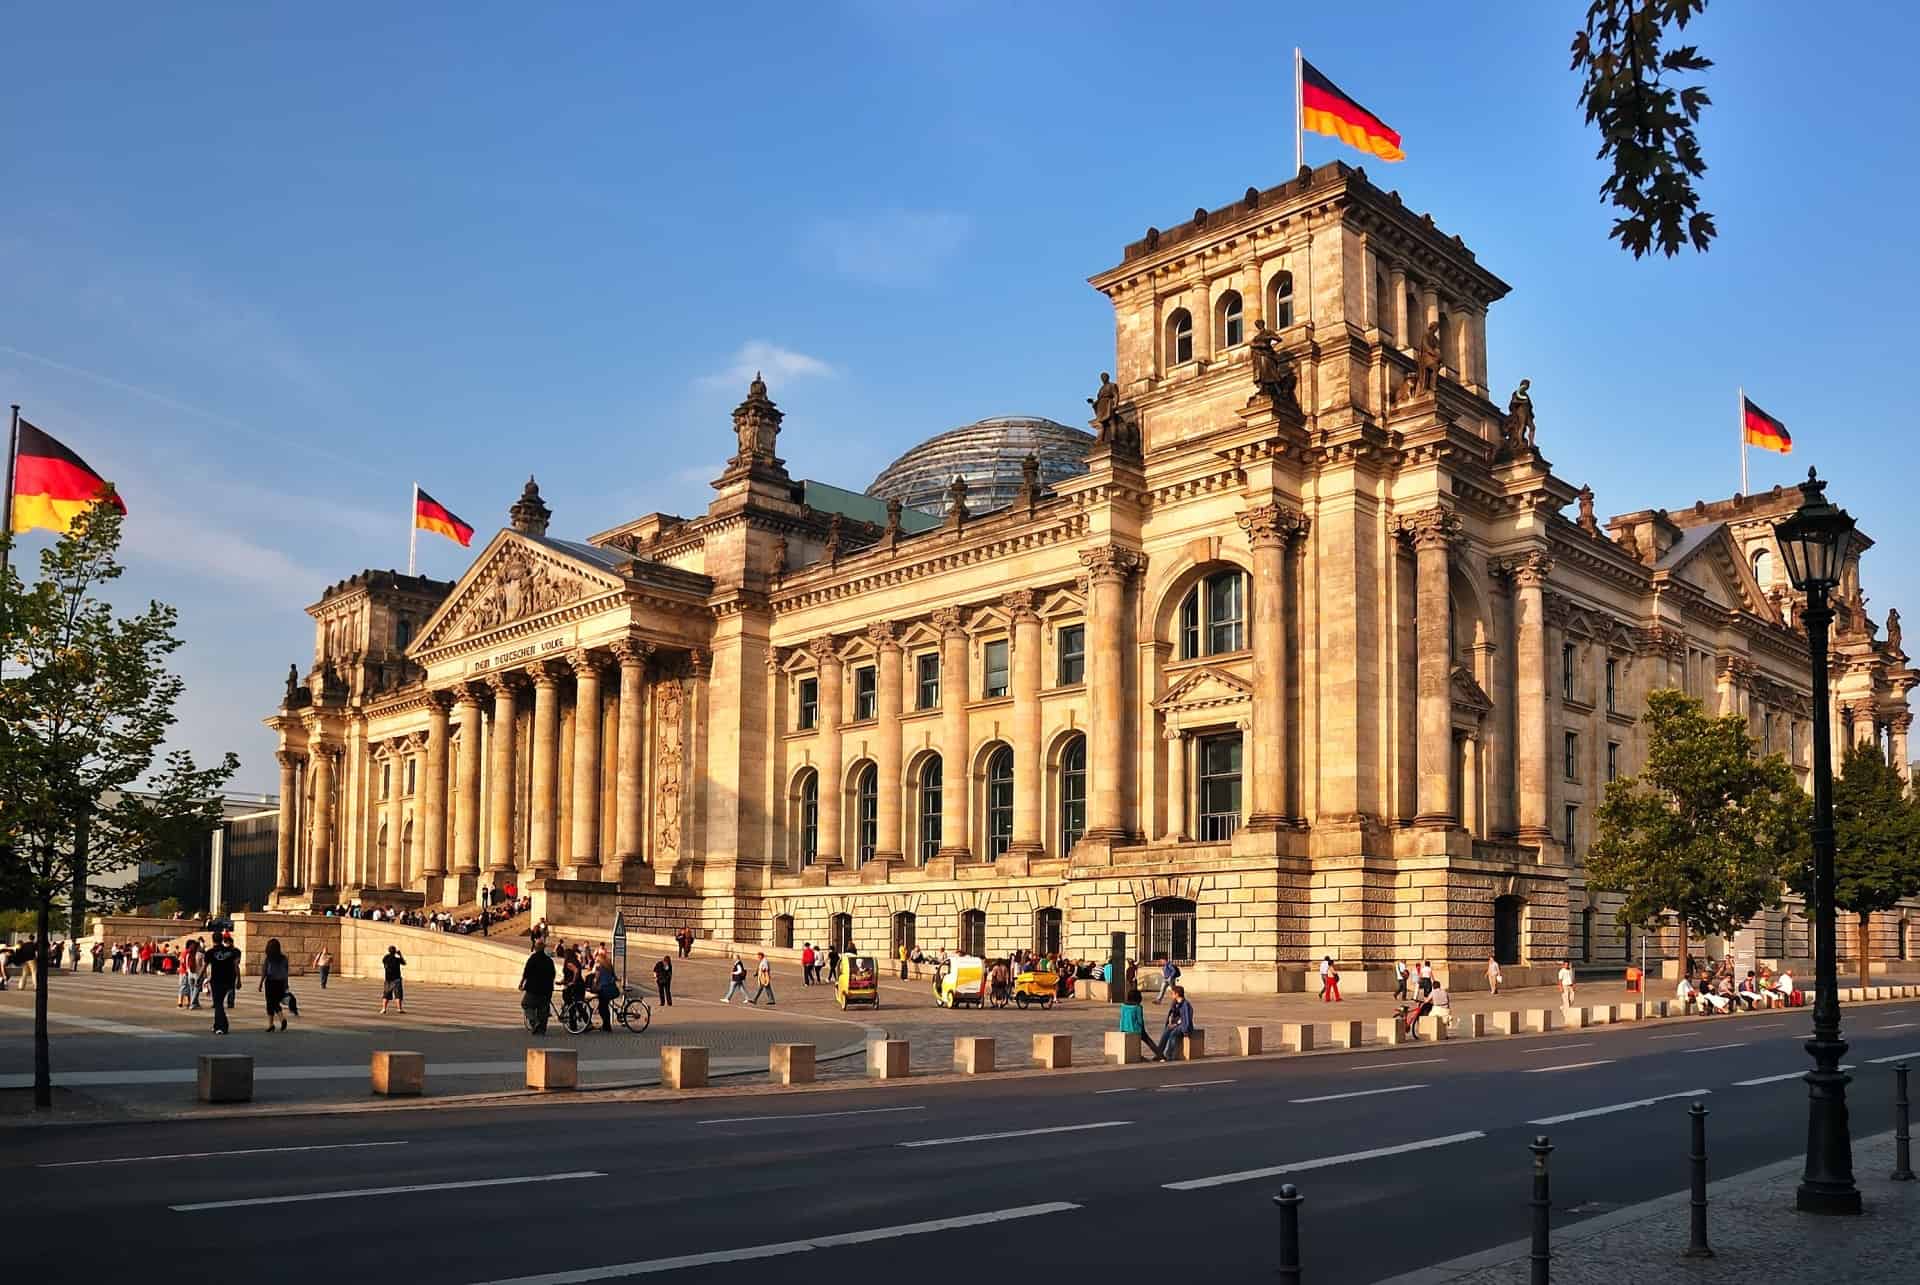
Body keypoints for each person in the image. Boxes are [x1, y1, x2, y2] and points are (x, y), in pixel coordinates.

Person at [206, 933, 241, 1035]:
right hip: (228, 981)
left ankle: (222, 1026)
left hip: (216, 981)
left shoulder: (210, 952)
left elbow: (205, 967)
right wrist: (238, 980)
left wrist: (200, 979)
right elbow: (236, 966)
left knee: (218, 1004)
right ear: (222, 940)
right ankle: (217, 1025)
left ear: (213, 940)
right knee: (219, 1003)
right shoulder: (231, 952)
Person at [1118, 986, 1163, 1061]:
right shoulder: (1138, 1007)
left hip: (1124, 1028)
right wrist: (1143, 1031)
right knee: (1148, 1041)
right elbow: (1140, 1021)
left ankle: (1138, 1056)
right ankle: (1161, 1056)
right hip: (1135, 1029)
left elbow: (1122, 1018)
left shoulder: (1123, 1006)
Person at [520, 940, 555, 1033]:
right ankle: (542, 1029)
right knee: (543, 1009)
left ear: (536, 948)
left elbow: (526, 972)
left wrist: (521, 983)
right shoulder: (549, 960)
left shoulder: (533, 958)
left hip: (533, 989)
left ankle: (534, 1021)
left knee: (526, 1004)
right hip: (546, 990)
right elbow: (553, 975)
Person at [259, 938, 293, 1032]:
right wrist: (286, 984)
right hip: (280, 983)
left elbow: (264, 971)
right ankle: (273, 1023)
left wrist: (261, 983)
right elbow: (285, 972)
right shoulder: (284, 958)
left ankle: (275, 1022)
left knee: (270, 1002)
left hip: (270, 982)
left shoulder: (268, 959)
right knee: (274, 1002)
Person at [1158, 985, 1195, 1060]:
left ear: (1177, 994)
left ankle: (1169, 1055)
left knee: (1173, 1034)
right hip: (1177, 1024)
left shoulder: (1185, 1005)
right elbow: (1172, 1015)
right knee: (1166, 1031)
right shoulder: (1175, 1003)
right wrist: (1172, 1024)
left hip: (1184, 1026)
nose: (1171, 995)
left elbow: (1186, 1019)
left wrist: (1185, 1030)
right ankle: (1159, 1053)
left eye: (1172, 993)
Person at [591, 949, 619, 1032]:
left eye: (596, 959)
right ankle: (607, 1026)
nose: (595, 960)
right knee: (605, 1007)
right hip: (611, 988)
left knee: (602, 1008)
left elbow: (596, 978)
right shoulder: (609, 966)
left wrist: (593, 986)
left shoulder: (599, 967)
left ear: (599, 960)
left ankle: (607, 1026)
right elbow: (614, 977)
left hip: (603, 989)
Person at [379, 945, 407, 1014]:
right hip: (397, 979)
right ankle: (399, 1009)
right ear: (395, 951)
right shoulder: (397, 960)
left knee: (386, 994)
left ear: (389, 951)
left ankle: (383, 1009)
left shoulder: (386, 958)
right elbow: (404, 963)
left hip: (388, 979)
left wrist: (391, 953)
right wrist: (400, 955)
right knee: (398, 994)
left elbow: (383, 961)